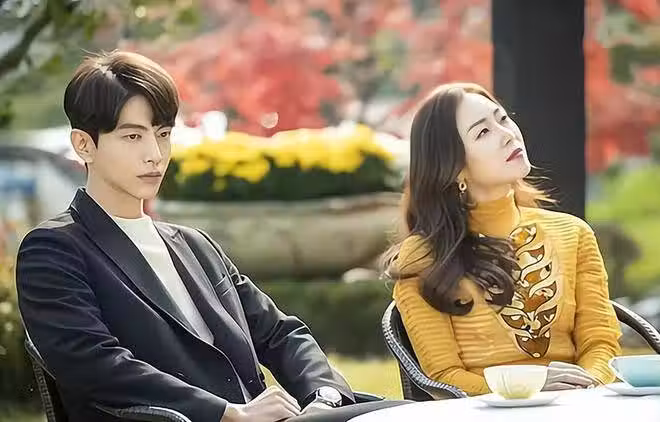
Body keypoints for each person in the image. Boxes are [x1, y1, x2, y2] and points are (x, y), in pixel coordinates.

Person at [16, 51, 406, 422]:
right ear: (84, 145)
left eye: (163, 134)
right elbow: (95, 364)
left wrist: (323, 397)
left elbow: (280, 333)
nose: (155, 154)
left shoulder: (195, 246)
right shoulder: (55, 249)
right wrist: (227, 412)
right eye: (133, 137)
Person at [383, 82, 622, 397]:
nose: (508, 134)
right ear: (454, 168)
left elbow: (601, 343)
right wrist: (529, 387)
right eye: (483, 132)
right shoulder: (423, 257)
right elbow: (442, 378)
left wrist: (588, 386)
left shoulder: (573, 233)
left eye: (503, 119)